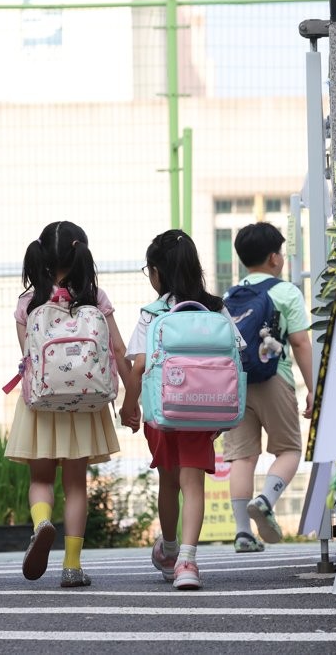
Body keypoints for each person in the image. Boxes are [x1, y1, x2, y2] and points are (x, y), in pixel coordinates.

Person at [6, 221, 132, 587]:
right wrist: (130, 400)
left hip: (41, 404)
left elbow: (29, 356)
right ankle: (72, 566)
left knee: (41, 478)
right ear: (82, 253)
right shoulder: (95, 297)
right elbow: (119, 351)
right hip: (85, 404)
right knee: (76, 484)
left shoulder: (28, 303)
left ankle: (42, 522)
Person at [119, 229, 243, 590]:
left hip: (163, 412)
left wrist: (130, 406)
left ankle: (170, 549)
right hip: (203, 412)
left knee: (169, 482)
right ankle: (188, 562)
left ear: (157, 272)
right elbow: (235, 356)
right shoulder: (216, 308)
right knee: (193, 484)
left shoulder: (153, 313)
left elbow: (139, 366)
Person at [225, 222, 313, 552]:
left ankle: (242, 532)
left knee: (242, 458)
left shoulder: (229, 296)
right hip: (276, 378)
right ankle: (266, 499)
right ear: (275, 258)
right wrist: (313, 389)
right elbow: (301, 343)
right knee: (289, 449)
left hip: (237, 383)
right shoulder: (285, 291)